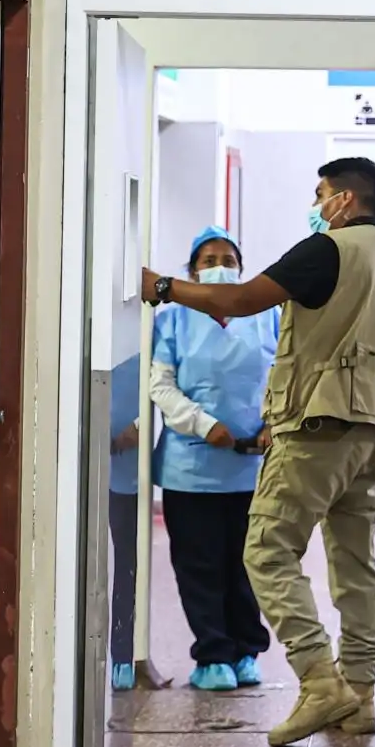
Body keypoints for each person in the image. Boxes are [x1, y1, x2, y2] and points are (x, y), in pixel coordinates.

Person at [141, 156, 375, 747]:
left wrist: (161, 288)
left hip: (320, 426)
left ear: (344, 199)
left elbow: (238, 301)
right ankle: (361, 695)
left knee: (266, 550)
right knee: (355, 566)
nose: (315, 206)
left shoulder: (327, 250)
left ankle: (321, 682)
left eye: (321, 194)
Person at [148, 226, 279, 692]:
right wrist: (205, 425)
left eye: (227, 257)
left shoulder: (269, 316)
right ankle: (213, 656)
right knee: (200, 567)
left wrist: (271, 424)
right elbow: (161, 386)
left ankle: (247, 651)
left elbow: (288, 374)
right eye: (208, 259)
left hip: (253, 468)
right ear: (191, 272)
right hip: (192, 470)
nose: (220, 265)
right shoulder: (173, 321)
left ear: (241, 268)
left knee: (249, 565)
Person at [108, 352, 142, 692]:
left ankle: (127, 656)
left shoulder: (151, 328)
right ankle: (121, 656)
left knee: (128, 564)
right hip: (98, 467)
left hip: (136, 469)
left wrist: (144, 423)